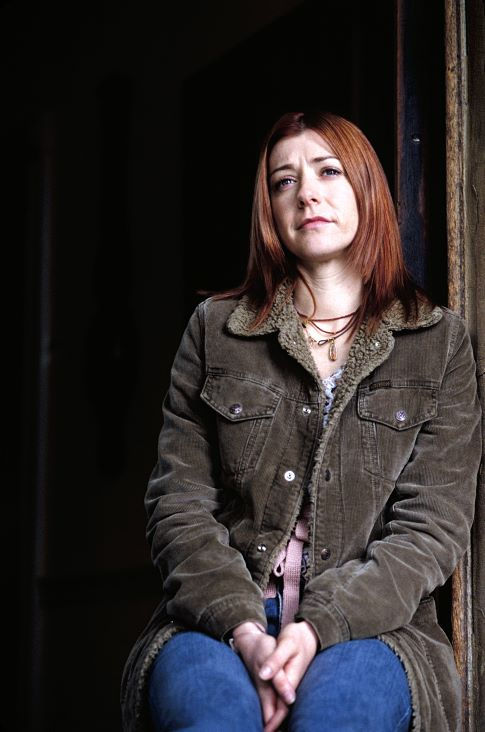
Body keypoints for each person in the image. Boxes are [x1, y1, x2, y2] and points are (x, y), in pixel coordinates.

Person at [121, 111, 482, 732]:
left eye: (328, 171)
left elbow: (432, 528)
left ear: (366, 187)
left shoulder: (438, 342)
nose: (307, 192)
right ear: (269, 208)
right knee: (211, 717)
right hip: (218, 620)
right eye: (284, 181)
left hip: (373, 631)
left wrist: (317, 628)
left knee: (335, 719)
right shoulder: (215, 330)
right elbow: (177, 505)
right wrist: (245, 631)